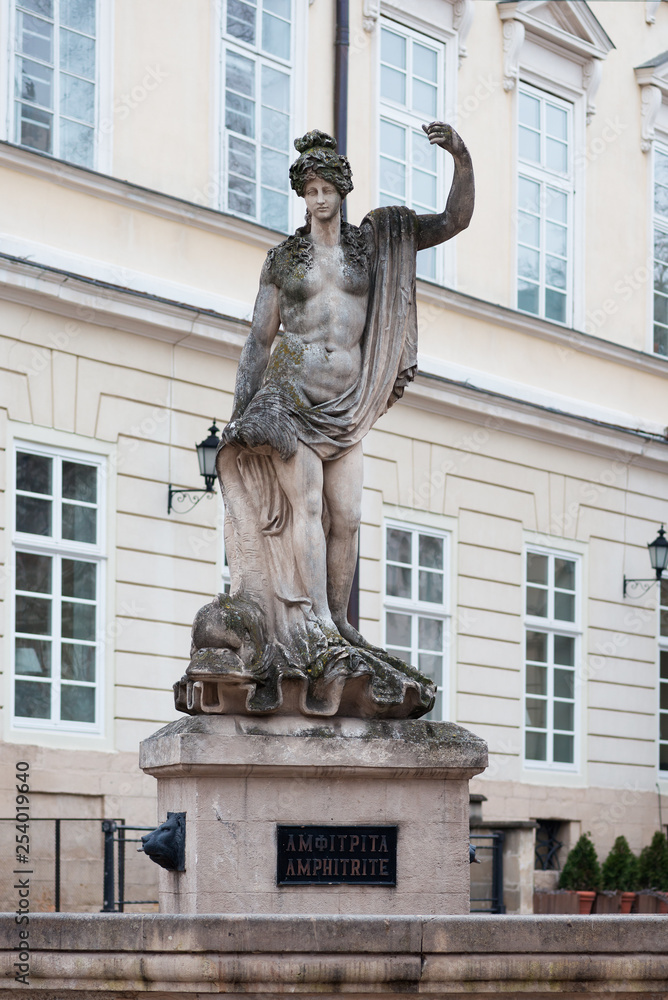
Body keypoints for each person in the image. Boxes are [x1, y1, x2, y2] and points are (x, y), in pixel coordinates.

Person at [183, 123, 474, 718]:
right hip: (290, 398)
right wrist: (243, 411)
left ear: (342, 191)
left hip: (349, 408)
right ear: (303, 195)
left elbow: (453, 222)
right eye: (309, 189)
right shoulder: (285, 260)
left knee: (350, 516)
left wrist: (462, 159)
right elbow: (259, 340)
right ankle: (313, 629)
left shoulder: (375, 246)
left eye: (326, 188)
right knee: (309, 508)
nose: (318, 199)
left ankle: (338, 621)